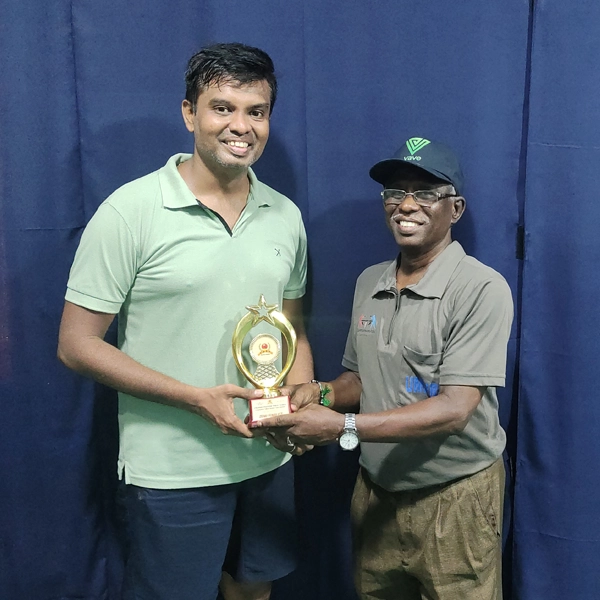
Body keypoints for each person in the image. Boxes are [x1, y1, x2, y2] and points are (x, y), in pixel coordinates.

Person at [57, 43, 313, 600]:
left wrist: (300, 397)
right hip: (174, 470)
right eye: (222, 108)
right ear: (189, 113)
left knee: (254, 592)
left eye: (256, 111)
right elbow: (76, 345)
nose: (241, 126)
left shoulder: (285, 214)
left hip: (267, 454)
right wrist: (196, 399)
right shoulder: (130, 211)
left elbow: (290, 325)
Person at [252, 137, 513, 600]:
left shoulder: (481, 289)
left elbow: (455, 409)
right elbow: (359, 379)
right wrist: (321, 393)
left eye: (425, 193)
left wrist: (341, 427)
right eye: (395, 192)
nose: (406, 205)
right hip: (375, 493)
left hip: (455, 499)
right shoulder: (369, 282)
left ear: (455, 209)